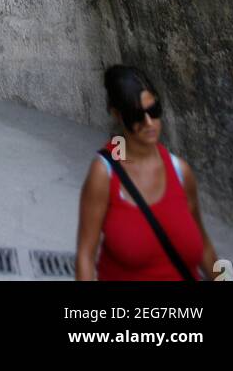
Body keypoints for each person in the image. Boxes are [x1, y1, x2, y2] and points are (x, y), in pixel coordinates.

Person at [75, 64, 218, 281]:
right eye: (136, 115)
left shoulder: (181, 172)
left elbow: (205, 247)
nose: (149, 123)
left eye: (154, 111)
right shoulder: (103, 174)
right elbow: (86, 256)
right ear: (117, 115)